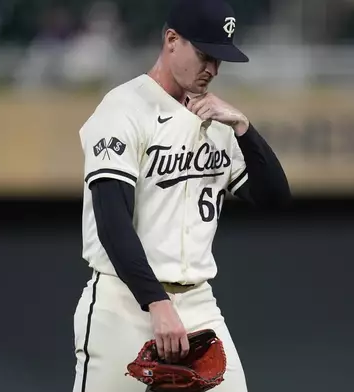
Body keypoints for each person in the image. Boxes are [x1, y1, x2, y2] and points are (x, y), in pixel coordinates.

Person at [72, 0, 291, 391]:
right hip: (125, 302)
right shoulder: (122, 109)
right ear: (172, 40)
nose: (213, 69)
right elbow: (112, 220)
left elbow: (275, 199)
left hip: (198, 304)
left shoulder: (216, 120)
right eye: (205, 54)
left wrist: (244, 127)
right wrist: (155, 302)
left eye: (220, 59)